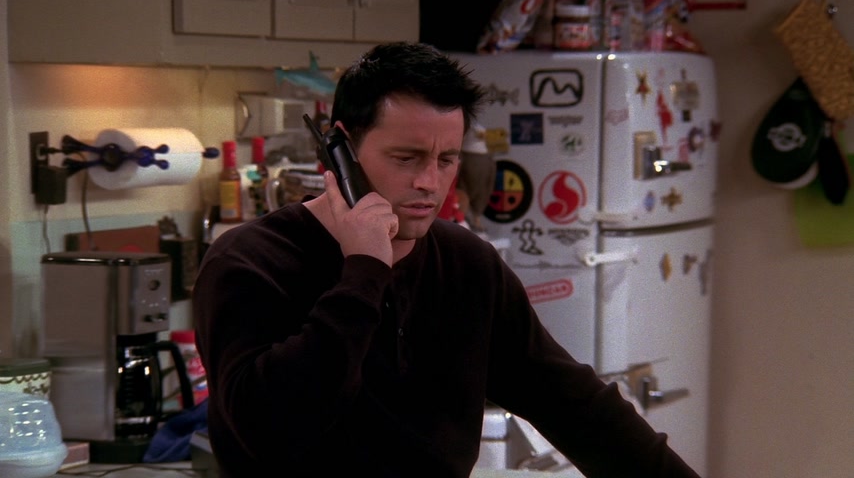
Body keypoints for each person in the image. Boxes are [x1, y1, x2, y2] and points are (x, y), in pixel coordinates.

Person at [193, 41, 700, 478]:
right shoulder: (250, 263)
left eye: (446, 159)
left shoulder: (468, 265)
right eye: (406, 158)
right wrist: (363, 273)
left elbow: (578, 408)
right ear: (340, 149)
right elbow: (270, 430)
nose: (429, 183)